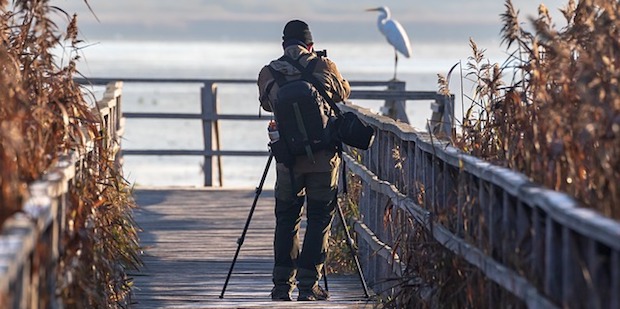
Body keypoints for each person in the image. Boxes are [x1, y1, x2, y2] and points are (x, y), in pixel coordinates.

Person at [257, 19, 351, 302]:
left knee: (286, 217)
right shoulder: (324, 67)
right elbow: (343, 92)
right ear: (310, 45)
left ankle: (281, 286)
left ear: (284, 45)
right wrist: (324, 66)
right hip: (323, 158)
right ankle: (308, 286)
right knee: (320, 217)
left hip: (288, 159)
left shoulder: (268, 72)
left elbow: (266, 104)